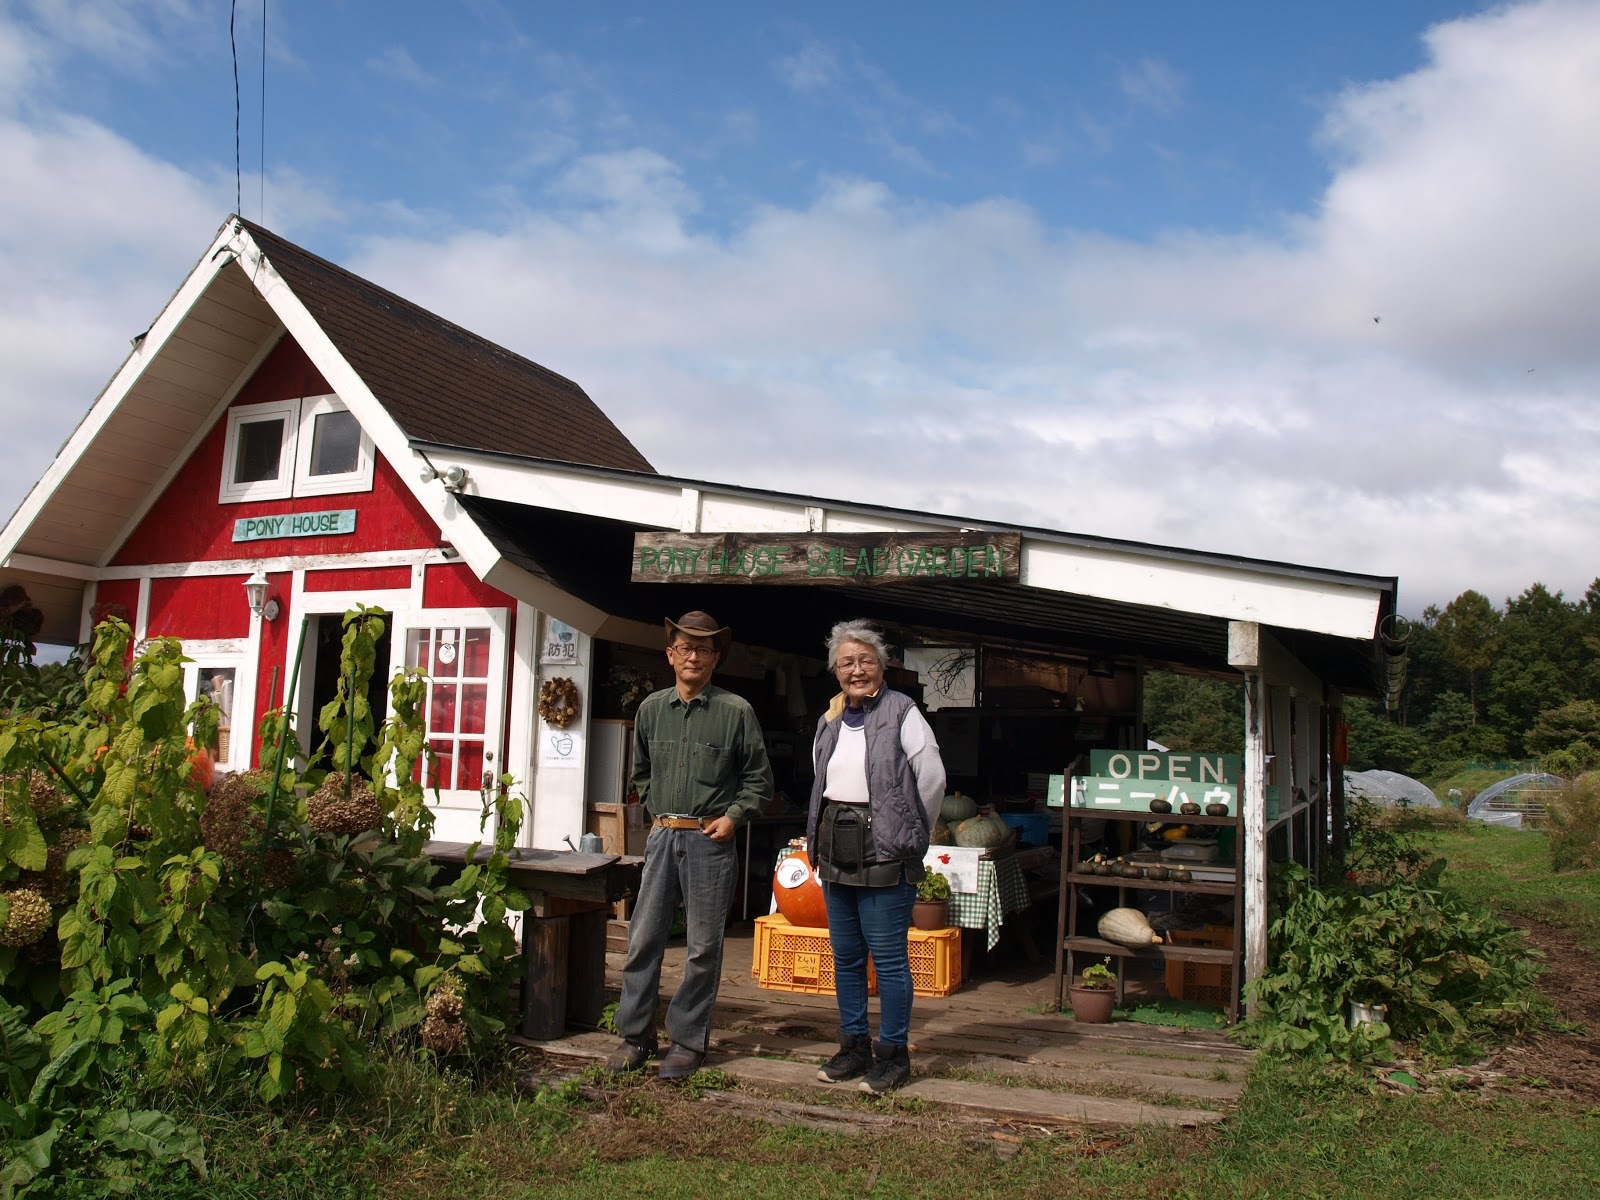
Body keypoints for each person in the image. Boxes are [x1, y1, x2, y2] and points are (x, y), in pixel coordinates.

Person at [605, 610, 775, 1081]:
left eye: (703, 648)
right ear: (670, 655)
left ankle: (686, 1041)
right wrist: (657, 814)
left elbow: (759, 781)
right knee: (643, 939)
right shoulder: (651, 709)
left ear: (715, 658)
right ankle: (635, 1035)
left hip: (709, 840)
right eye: (685, 647)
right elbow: (640, 772)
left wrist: (733, 818)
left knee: (702, 947)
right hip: (662, 836)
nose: (693, 656)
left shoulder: (735, 711)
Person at [806, 619, 945, 1094]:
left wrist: (908, 828)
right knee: (845, 957)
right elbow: (821, 777)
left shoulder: (904, 713)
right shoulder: (829, 720)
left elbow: (931, 776)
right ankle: (853, 1047)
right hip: (836, 847)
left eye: (866, 661)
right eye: (847, 663)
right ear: (836, 671)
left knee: (887, 961)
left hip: (886, 850)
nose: (857, 670)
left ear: (882, 667)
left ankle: (893, 1055)